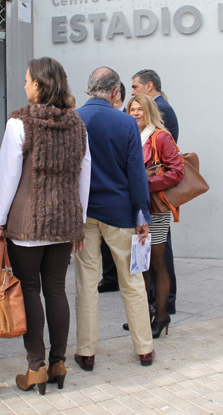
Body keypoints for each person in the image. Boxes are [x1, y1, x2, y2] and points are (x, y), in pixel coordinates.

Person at [0, 57, 90, 395]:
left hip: (27, 222)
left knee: (30, 290)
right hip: (64, 223)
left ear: (39, 85)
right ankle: (59, 363)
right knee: (56, 290)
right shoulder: (78, 125)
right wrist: (80, 222)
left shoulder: (20, 123)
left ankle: (36, 368)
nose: (25, 84)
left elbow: (6, 176)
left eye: (29, 79)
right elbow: (83, 177)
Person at [74, 67, 155, 370]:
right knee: (132, 281)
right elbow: (136, 173)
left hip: (84, 213)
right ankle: (144, 348)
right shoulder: (125, 123)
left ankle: (86, 351)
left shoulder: (75, 119)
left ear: (88, 87)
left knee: (86, 283)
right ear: (115, 93)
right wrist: (142, 213)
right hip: (121, 212)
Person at [126, 93, 183, 338]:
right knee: (140, 265)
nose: (135, 113)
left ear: (149, 110)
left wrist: (146, 184)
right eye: (131, 109)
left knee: (157, 264)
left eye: (140, 109)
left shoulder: (161, 137)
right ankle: (144, 316)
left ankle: (161, 316)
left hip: (156, 209)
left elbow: (177, 171)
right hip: (135, 210)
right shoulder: (129, 137)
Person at [98, 81, 128, 294]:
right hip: (105, 198)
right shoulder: (123, 121)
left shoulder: (127, 121)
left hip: (119, 198)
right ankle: (110, 278)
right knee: (105, 246)